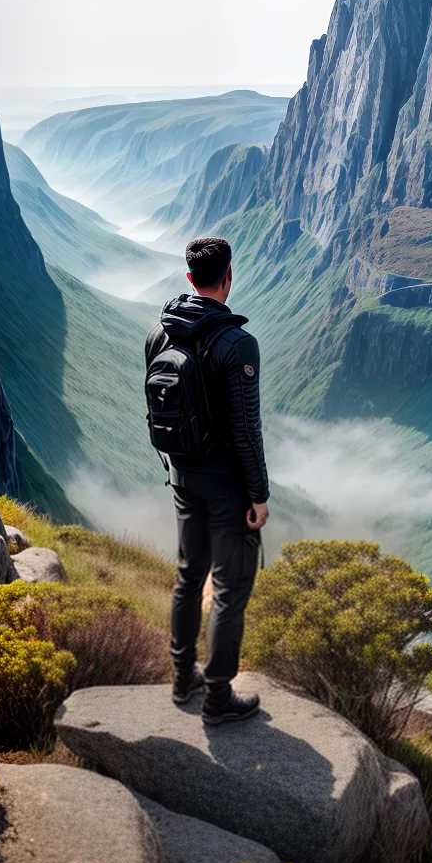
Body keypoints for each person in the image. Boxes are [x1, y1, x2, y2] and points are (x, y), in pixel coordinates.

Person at [145, 236, 270, 725]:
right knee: (229, 588)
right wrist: (257, 496)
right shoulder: (238, 344)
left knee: (187, 574)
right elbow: (245, 428)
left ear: (189, 278)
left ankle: (183, 679)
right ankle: (218, 696)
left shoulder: (159, 333)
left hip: (181, 474)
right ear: (228, 277)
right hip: (225, 485)